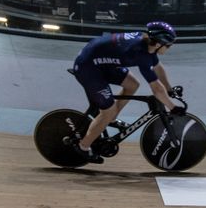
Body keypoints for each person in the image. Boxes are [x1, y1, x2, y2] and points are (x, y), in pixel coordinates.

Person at [68, 21, 185, 163]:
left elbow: (158, 68)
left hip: (101, 61)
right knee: (108, 111)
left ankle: (109, 119)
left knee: (132, 84)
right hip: (88, 68)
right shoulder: (141, 53)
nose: (169, 48)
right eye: (168, 45)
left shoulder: (148, 45)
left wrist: (169, 89)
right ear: (159, 43)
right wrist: (172, 107)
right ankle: (83, 146)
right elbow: (156, 88)